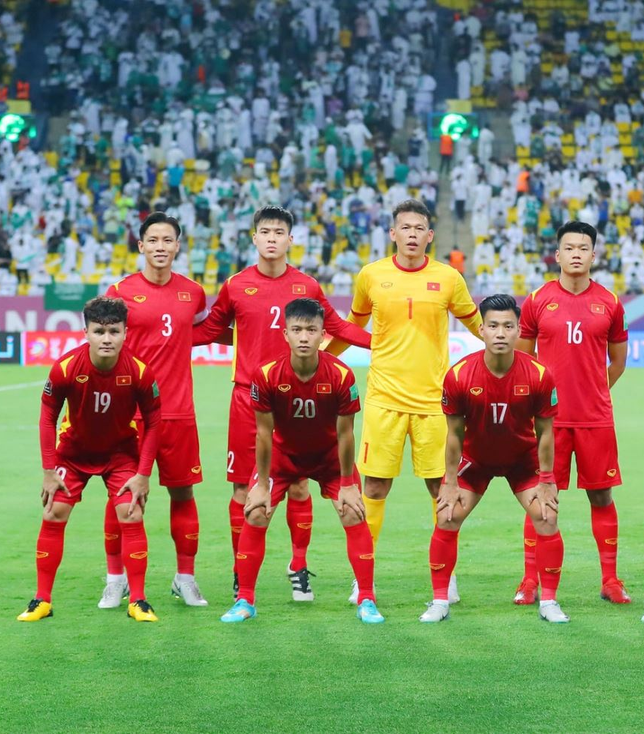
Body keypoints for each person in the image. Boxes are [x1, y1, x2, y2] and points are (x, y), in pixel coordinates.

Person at [192, 206, 371, 601]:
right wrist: (160, 335)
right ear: (254, 238)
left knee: (300, 483)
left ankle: (298, 565)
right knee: (244, 488)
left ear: (290, 240)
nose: (271, 238)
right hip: (249, 397)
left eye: (279, 232)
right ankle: (241, 573)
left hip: (298, 398)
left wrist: (382, 343)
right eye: (265, 232)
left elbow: (338, 327)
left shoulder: (306, 286)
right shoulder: (236, 285)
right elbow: (211, 329)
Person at [348, 199, 482, 605]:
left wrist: (516, 355)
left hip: (433, 402)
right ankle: (363, 578)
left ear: (429, 236)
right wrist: (321, 357)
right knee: (374, 485)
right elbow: (351, 326)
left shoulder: (448, 278)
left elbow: (479, 325)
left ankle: (447, 575)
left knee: (441, 487)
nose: (411, 234)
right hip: (383, 399)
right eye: (404, 227)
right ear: (393, 234)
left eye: (418, 228)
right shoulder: (371, 275)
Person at [220, 298, 380, 624]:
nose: (304, 337)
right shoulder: (267, 375)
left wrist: (348, 484)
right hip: (283, 456)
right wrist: (261, 484)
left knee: (352, 510)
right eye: (297, 330)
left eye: (311, 330)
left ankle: (367, 599)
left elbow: (346, 434)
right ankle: (245, 601)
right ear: (285, 334)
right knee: (256, 511)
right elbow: (263, 434)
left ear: (323, 334)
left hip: (329, 457)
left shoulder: (342, 376)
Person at [421, 294, 568, 624]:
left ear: (519, 330)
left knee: (546, 516)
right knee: (446, 516)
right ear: (481, 330)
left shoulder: (538, 375)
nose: (500, 333)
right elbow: (454, 434)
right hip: (477, 459)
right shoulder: (459, 375)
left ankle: (550, 602)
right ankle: (440, 601)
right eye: (493, 326)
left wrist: (547, 480)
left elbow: (546, 432)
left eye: (508, 326)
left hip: (522, 459)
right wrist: (449, 482)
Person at [19, 297, 162, 623]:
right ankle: (42, 600)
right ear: (86, 332)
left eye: (114, 331)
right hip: (73, 454)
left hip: (120, 455)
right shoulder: (66, 368)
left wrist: (143, 474)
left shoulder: (139, 371)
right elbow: (47, 417)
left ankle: (138, 601)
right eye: (99, 331)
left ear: (125, 333)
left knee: (131, 513)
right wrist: (48, 469)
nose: (107, 338)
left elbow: (154, 422)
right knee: (53, 511)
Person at [515, 220, 631, 604]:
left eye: (583, 248)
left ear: (593, 255)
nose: (576, 254)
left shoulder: (610, 302)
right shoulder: (537, 300)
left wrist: (594, 390)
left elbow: (618, 362)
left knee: (602, 496)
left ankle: (610, 580)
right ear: (558, 255)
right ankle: (530, 581)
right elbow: (523, 361)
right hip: (548, 422)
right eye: (569, 248)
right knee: (540, 498)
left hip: (595, 418)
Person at [102, 212, 208, 608]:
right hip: (129, 414)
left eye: (168, 240)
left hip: (178, 411)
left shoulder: (193, 292)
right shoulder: (120, 292)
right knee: (122, 496)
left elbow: (203, 331)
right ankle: (116, 580)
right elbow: (104, 344)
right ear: (141, 245)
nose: (160, 247)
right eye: (153, 240)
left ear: (177, 246)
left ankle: (185, 579)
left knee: (183, 492)